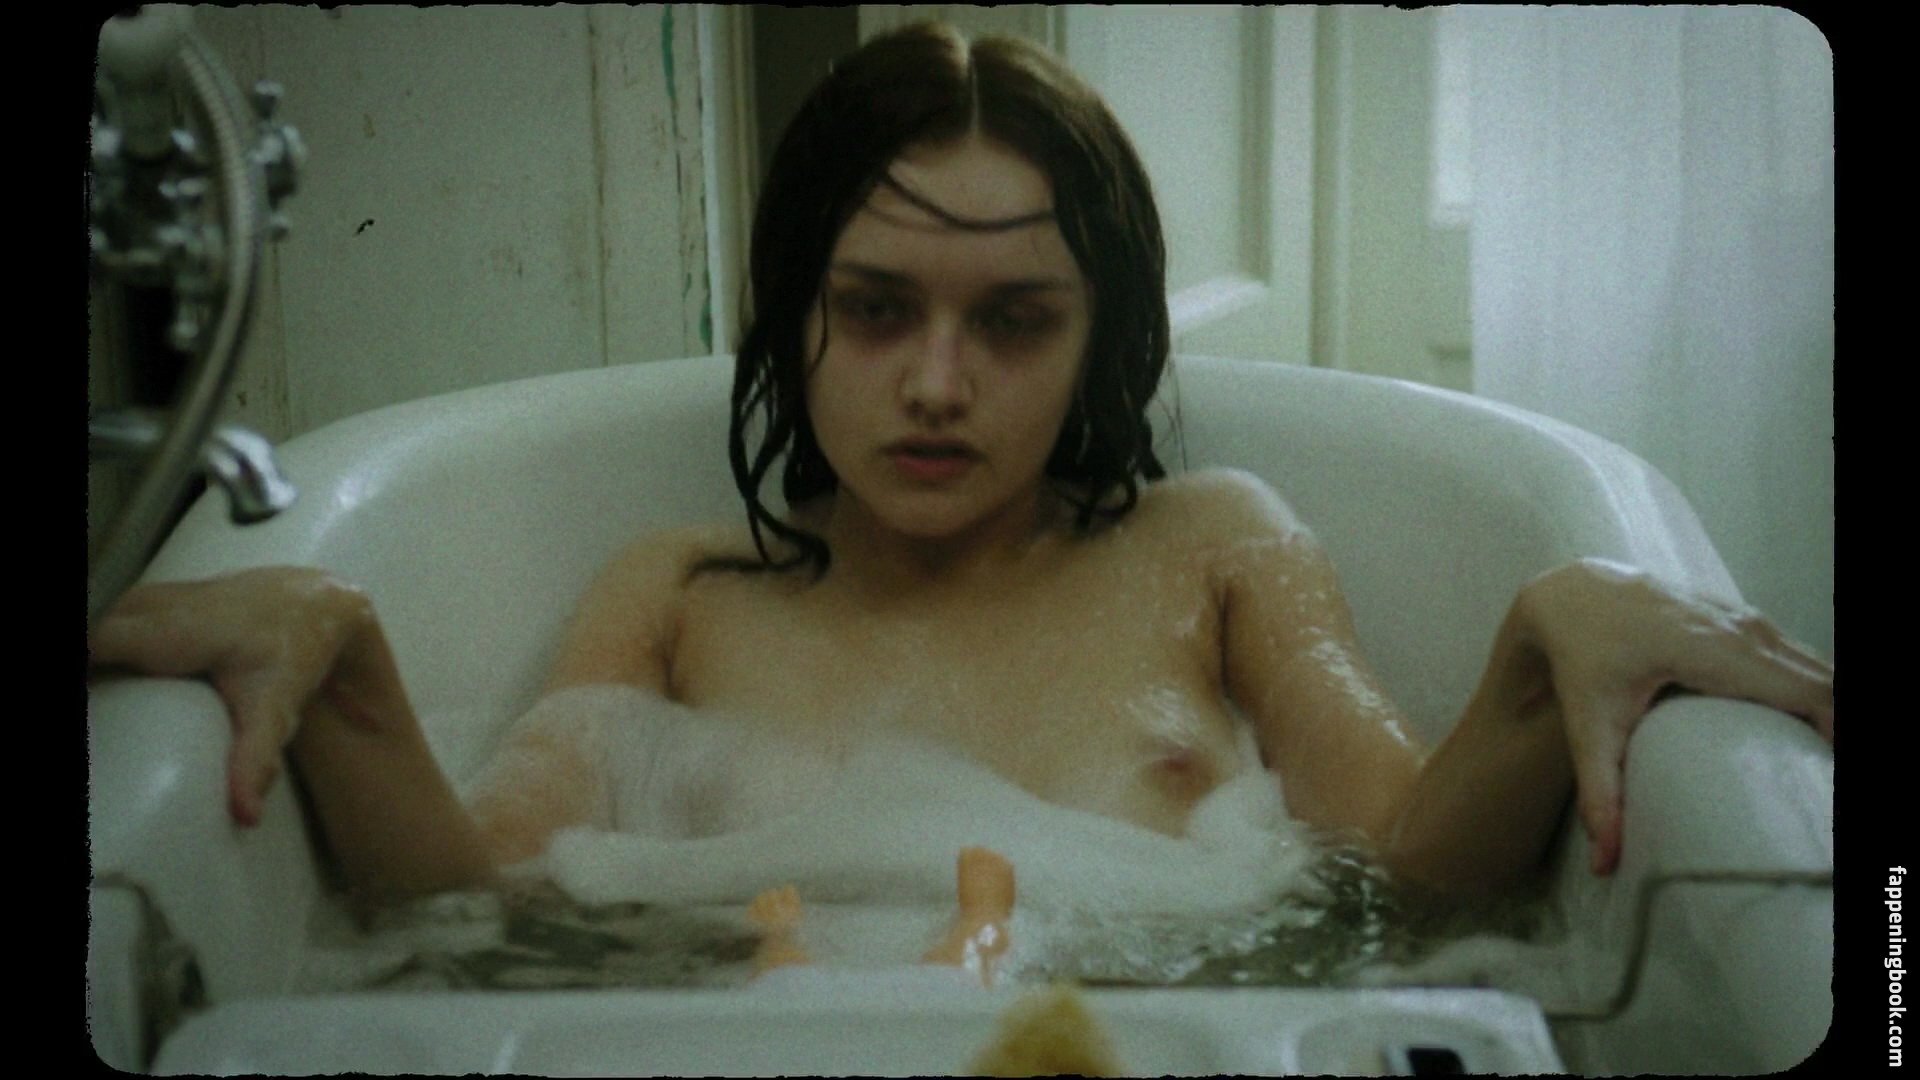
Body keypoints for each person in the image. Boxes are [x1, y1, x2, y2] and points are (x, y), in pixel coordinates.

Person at [88, 23, 1833, 918]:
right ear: (793, 314)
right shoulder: (681, 593)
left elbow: (1410, 867)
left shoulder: (1211, 545)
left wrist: (1551, 628)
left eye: (1014, 321)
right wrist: (338, 651)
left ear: (1100, 341)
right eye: (873, 310)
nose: (937, 385)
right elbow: (465, 918)